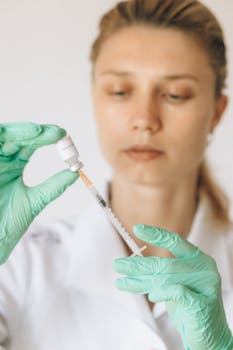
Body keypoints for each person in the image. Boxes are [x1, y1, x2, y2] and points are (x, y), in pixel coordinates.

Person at [0, 0, 232, 349]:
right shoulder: (21, 264)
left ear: (216, 112)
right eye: (120, 91)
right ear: (95, 97)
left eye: (175, 94)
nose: (144, 119)